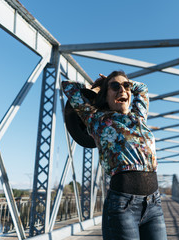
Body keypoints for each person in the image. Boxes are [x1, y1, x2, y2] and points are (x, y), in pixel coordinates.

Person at [61, 70, 167, 240]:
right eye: (115, 87)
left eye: (126, 86)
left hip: (153, 204)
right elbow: (68, 87)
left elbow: (143, 89)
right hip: (122, 207)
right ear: (106, 95)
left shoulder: (139, 117)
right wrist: (98, 86)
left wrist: (124, 82)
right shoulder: (97, 120)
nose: (122, 90)